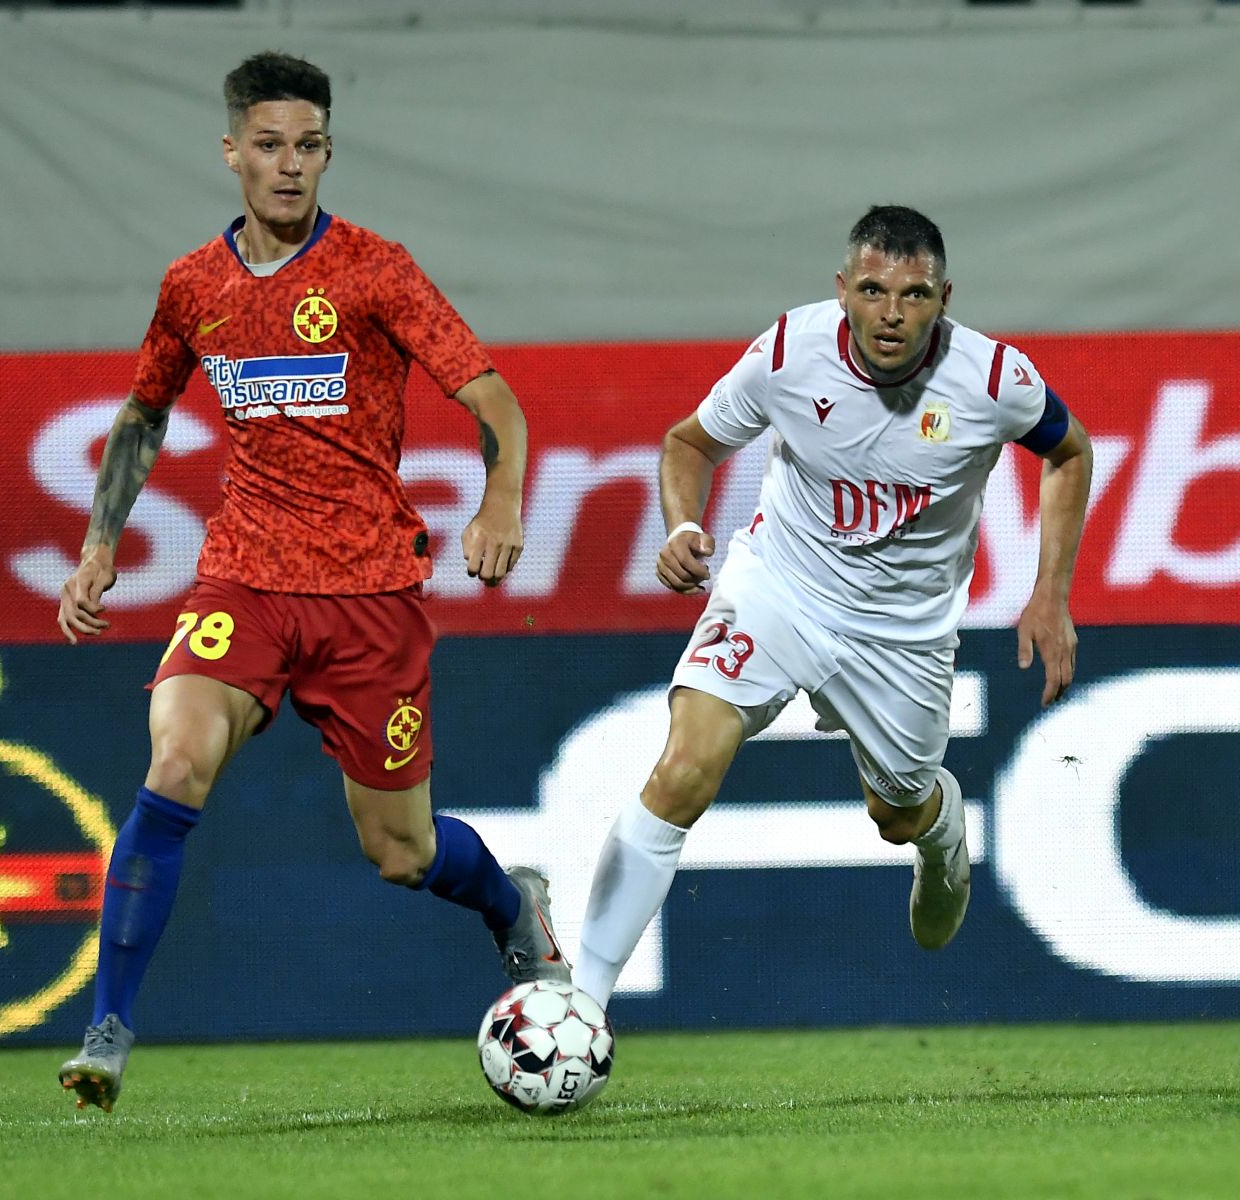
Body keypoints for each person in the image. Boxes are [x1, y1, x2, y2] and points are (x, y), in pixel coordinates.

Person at [56, 51, 568, 1112]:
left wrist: (501, 501)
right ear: (232, 152)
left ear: (327, 153)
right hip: (242, 580)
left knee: (401, 851)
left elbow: (495, 402)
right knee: (176, 761)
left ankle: (510, 901)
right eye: (270, 146)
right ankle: (107, 1029)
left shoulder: (375, 271)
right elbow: (145, 411)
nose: (290, 165)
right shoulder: (193, 286)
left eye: (309, 146)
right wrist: (101, 542)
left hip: (368, 596)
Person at [572, 206, 1093, 1012]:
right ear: (843, 289)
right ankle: (583, 1003)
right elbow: (689, 443)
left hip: (903, 633)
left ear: (945, 299)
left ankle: (940, 830)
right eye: (874, 290)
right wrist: (680, 525)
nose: (892, 314)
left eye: (915, 295)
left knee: (895, 813)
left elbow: (1070, 451)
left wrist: (1050, 594)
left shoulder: (993, 379)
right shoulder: (789, 352)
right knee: (682, 770)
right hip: (779, 588)